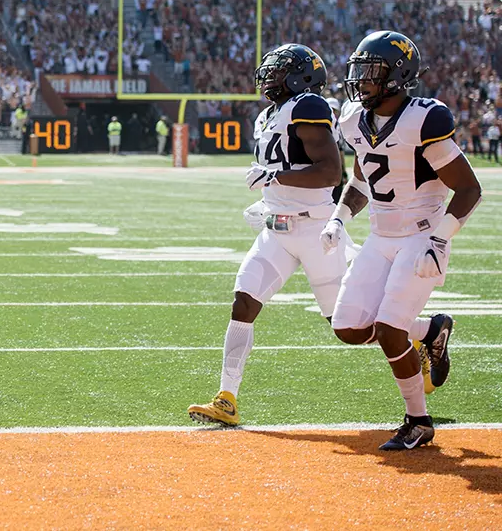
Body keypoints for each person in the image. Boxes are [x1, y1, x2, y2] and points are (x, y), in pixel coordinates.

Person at [321, 31, 481, 450]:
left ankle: (418, 421)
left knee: (391, 330)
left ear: (397, 76)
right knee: (349, 327)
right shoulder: (354, 118)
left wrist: (440, 240)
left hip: (422, 235)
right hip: (380, 236)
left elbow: (469, 189)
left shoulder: (423, 119)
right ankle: (431, 330)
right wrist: (339, 218)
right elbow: (362, 179)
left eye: (371, 72)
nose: (361, 80)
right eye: (359, 71)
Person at [187, 44, 345, 426]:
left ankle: (421, 335)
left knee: (345, 325)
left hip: (314, 229)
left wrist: (274, 178)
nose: (270, 76)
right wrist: (268, 201)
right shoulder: (266, 116)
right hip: (277, 229)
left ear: (302, 76)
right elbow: (285, 167)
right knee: (244, 301)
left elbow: (329, 172)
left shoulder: (308, 106)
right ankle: (227, 398)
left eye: (280, 70)